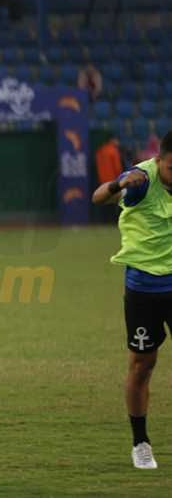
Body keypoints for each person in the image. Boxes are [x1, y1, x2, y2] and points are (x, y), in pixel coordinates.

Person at [91, 130, 172, 470]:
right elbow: (98, 197)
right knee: (142, 365)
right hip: (144, 288)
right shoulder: (141, 180)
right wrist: (119, 184)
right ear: (159, 160)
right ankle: (140, 443)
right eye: (171, 168)